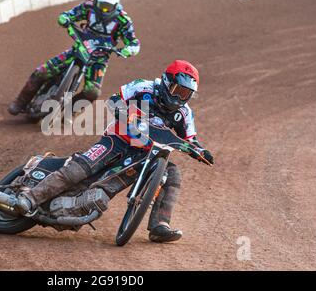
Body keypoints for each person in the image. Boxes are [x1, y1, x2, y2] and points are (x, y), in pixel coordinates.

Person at [16, 60, 214, 243]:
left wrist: (201, 150)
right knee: (79, 169)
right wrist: (122, 111)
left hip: (144, 154)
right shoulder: (143, 87)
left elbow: (191, 139)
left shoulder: (184, 113)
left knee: (172, 173)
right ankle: (31, 197)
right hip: (117, 139)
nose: (180, 97)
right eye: (178, 90)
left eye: (186, 94)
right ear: (166, 81)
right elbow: (115, 99)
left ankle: (159, 225)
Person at [8, 0, 140, 116]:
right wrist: (64, 18)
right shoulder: (88, 7)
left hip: (99, 59)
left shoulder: (123, 20)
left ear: (116, 5)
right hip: (79, 48)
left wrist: (129, 49)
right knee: (42, 71)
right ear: (95, 1)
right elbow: (70, 14)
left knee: (92, 92)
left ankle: (69, 112)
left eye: (108, 7)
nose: (104, 10)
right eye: (102, 6)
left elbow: (133, 42)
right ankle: (20, 102)